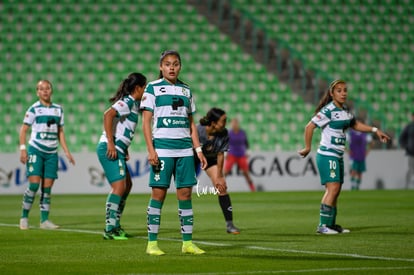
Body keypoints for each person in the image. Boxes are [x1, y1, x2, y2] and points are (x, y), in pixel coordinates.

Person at [298, 79, 390, 234]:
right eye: (339, 90)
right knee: (332, 188)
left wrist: (375, 130)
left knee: (336, 189)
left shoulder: (344, 110)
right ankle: (323, 226)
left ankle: (331, 224)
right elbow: (310, 126)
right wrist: (307, 147)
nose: (343, 93)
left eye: (345, 90)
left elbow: (355, 125)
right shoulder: (328, 111)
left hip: (337, 156)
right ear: (332, 93)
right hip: (328, 155)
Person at [141, 50, 207, 255]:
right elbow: (145, 122)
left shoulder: (186, 90)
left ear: (180, 67)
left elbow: (191, 124)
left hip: (185, 149)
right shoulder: (152, 88)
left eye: (176, 64)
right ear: (161, 67)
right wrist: (151, 150)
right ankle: (152, 243)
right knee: (158, 194)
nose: (171, 67)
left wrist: (198, 150)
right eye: (167, 64)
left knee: (186, 194)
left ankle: (187, 243)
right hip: (162, 149)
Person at [19, 80, 75, 230]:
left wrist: (67, 151)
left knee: (47, 188)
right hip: (36, 149)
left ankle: (44, 220)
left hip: (51, 152)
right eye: (41, 89)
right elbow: (24, 130)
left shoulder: (58, 109)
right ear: (37, 92)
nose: (45, 91)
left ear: (51, 90)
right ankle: (24, 217)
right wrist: (23, 149)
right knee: (34, 185)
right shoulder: (33, 109)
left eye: (47, 88)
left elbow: (60, 132)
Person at [96, 72, 147, 240]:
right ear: (138, 88)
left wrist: (124, 149)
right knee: (119, 187)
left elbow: (123, 128)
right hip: (110, 147)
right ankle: (110, 229)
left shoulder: (133, 104)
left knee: (127, 185)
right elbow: (107, 115)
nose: (146, 90)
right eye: (144, 87)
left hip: (118, 148)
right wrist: (111, 143)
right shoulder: (127, 101)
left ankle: (116, 226)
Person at [195, 108, 240, 234]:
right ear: (214, 122)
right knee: (184, 189)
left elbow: (220, 154)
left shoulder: (224, 133)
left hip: (210, 160)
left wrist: (220, 176)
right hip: (192, 157)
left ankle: (230, 225)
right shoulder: (198, 130)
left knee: (221, 187)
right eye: (224, 120)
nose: (226, 123)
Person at [224, 118, 256, 192]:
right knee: (225, 172)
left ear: (238, 124)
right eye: (233, 123)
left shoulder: (242, 132)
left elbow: (246, 142)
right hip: (232, 154)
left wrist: (248, 151)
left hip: (241, 154)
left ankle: (252, 189)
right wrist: (225, 152)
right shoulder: (229, 133)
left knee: (246, 173)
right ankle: (219, 188)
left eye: (235, 123)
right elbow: (225, 143)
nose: (234, 125)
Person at [347, 125, 373, 190]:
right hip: (353, 156)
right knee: (353, 170)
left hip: (361, 156)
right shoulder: (350, 133)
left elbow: (371, 142)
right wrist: (347, 150)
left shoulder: (365, 134)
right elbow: (343, 141)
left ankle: (357, 186)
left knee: (360, 172)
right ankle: (353, 185)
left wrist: (367, 151)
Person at [399, 112, 414, 188]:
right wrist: (406, 146)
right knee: (411, 169)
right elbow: (401, 138)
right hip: (411, 152)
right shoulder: (409, 127)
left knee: (411, 169)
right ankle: (407, 185)